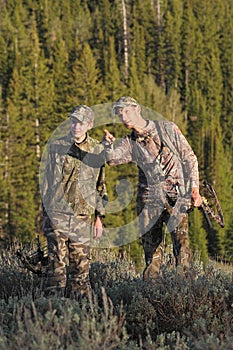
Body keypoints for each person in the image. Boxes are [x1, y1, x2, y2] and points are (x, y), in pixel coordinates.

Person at [103, 96, 202, 280]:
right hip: (148, 201)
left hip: (176, 198)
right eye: (119, 113)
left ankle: (187, 297)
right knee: (152, 256)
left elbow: (189, 157)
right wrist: (108, 146)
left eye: (126, 111)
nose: (123, 116)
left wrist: (194, 187)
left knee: (183, 251)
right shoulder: (129, 142)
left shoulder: (167, 128)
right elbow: (112, 159)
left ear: (137, 109)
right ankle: (151, 299)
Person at [41, 105, 107, 298]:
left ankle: (82, 317)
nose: (76, 126)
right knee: (56, 272)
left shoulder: (97, 149)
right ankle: (53, 315)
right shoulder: (56, 147)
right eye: (73, 121)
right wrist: (46, 215)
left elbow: (101, 186)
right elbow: (46, 184)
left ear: (90, 124)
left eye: (80, 122)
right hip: (57, 216)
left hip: (82, 217)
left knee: (81, 272)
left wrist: (99, 218)